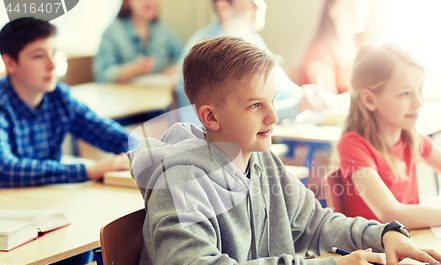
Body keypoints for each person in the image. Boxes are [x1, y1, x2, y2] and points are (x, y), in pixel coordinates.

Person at [128, 36, 441, 265]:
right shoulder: (180, 182)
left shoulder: (262, 159)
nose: (273, 117)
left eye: (273, 101)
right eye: (256, 105)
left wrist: (382, 235)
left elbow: (315, 222)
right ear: (211, 118)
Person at [334, 42, 441, 228]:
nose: (418, 102)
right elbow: (392, 214)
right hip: (375, 253)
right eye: (405, 93)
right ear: (369, 99)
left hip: (410, 243)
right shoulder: (353, 146)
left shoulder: (410, 138)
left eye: (419, 89)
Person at [0, 17, 138, 188]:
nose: (52, 65)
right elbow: (4, 168)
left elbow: (107, 133)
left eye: (54, 53)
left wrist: (144, 150)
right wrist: (90, 170)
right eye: (38, 56)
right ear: (10, 63)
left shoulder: (59, 97)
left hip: (49, 197)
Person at [172, 0, 325, 124]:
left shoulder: (252, 39)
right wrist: (295, 107)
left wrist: (310, 97)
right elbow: (233, 117)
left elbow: (283, 89)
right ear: (223, 6)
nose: (261, 5)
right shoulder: (207, 51)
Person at [93, 0, 183, 83]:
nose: (152, 2)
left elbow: (183, 56)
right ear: (128, 2)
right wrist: (135, 68)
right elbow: (102, 76)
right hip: (124, 97)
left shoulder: (162, 29)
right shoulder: (112, 33)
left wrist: (175, 68)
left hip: (157, 95)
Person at [301, 0, 370, 95]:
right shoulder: (319, 55)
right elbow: (330, 104)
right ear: (332, 8)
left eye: (361, 5)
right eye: (350, 6)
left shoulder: (365, 47)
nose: (358, 12)